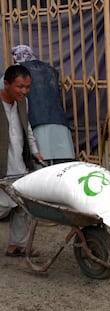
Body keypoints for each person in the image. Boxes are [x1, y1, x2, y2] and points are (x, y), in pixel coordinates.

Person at [0, 65, 43, 256]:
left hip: (19, 162)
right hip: (2, 164)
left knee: (23, 204)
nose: (24, 91)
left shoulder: (23, 103)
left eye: (27, 87)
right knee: (2, 206)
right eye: (20, 87)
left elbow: (28, 129)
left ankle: (17, 245)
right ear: (6, 84)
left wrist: (35, 151)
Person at [11, 45, 75, 165]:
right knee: (63, 168)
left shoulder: (18, 72)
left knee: (41, 169)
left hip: (37, 124)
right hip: (59, 123)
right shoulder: (50, 69)